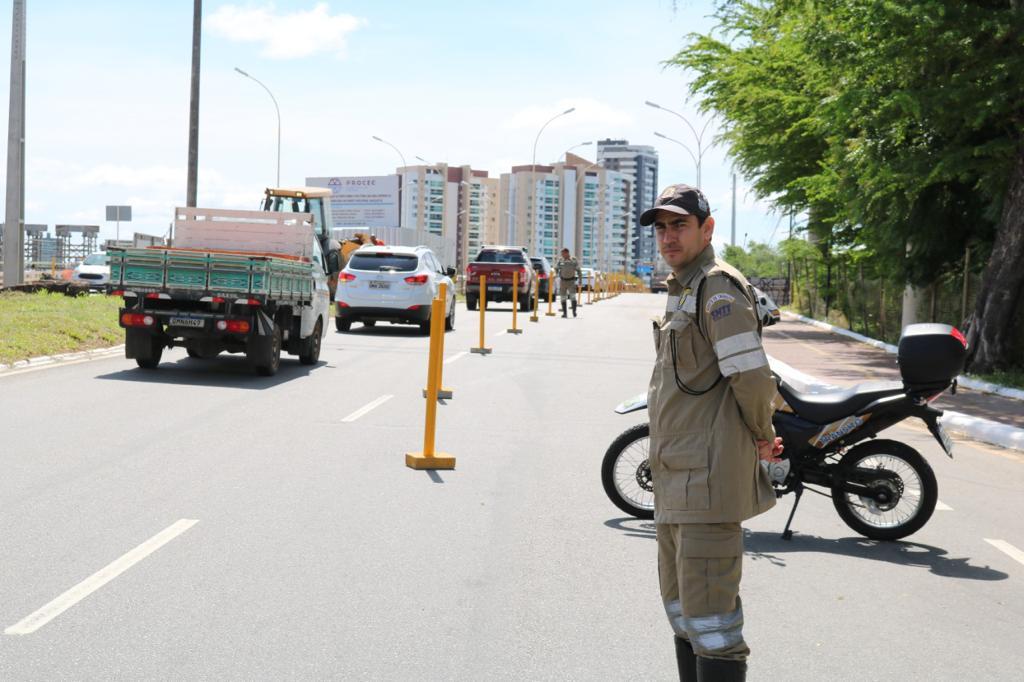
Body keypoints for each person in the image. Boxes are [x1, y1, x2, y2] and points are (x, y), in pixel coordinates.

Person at [640, 184, 784, 681]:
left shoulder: (717, 288)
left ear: (707, 229)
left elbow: (750, 375)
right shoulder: (683, 287)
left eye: (678, 225)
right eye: (660, 227)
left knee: (714, 627)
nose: (667, 236)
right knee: (684, 616)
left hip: (705, 483)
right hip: (676, 480)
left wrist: (763, 435)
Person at [553, 247, 582, 318]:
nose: (562, 255)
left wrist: (580, 280)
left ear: (567, 253)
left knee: (572, 297)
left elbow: (578, 270)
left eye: (563, 253)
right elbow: (556, 268)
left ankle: (574, 311)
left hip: (571, 281)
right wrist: (555, 274)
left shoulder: (573, 260)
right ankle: (564, 313)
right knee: (563, 297)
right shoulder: (560, 260)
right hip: (563, 281)